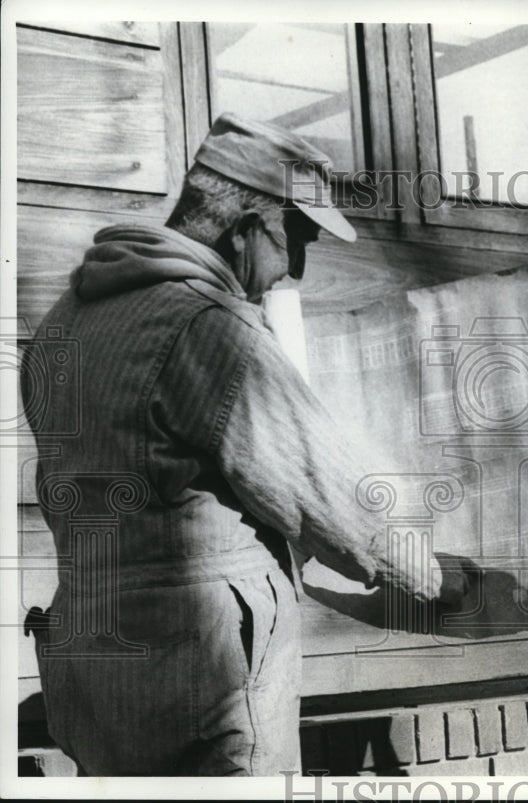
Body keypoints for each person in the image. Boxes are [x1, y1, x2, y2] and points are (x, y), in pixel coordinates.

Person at [22, 113, 465, 776]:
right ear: (249, 227)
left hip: (94, 670)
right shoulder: (209, 328)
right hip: (199, 677)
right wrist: (435, 576)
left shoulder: (67, 320)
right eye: (299, 239)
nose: (299, 268)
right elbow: (338, 500)